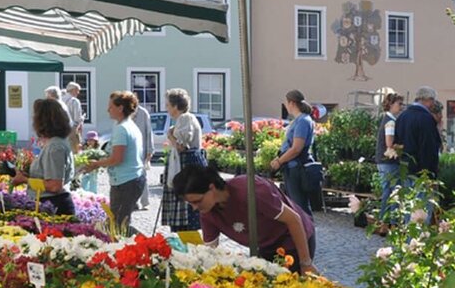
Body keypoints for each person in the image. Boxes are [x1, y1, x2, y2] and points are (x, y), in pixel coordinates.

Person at [173, 165, 317, 275]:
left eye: (197, 201)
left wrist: (305, 263)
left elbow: (294, 220)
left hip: (293, 238)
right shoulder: (208, 213)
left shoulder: (252, 190)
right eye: (191, 204)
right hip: (265, 246)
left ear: (211, 188)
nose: (194, 208)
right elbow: (210, 251)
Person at [84, 91, 145, 230]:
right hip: (131, 179)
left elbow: (117, 159)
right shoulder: (129, 126)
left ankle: (146, 245)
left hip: (125, 182)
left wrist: (96, 164)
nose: (107, 110)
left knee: (118, 225)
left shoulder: (122, 129)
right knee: (119, 222)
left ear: (120, 108)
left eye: (110, 107)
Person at [11, 99, 75, 216]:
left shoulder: (55, 146)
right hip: (51, 204)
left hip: (53, 206)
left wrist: (25, 180)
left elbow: (55, 185)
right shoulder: (57, 142)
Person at [161, 88, 206, 231]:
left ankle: (186, 242)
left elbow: (182, 146)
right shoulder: (184, 119)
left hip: (187, 168)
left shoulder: (185, 118)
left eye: (168, 105)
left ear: (175, 106)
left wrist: (170, 136)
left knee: (186, 213)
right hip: (187, 167)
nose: (166, 108)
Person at [270, 89, 316, 216]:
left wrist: (279, 161)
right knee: (296, 205)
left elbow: (296, 148)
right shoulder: (301, 120)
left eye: (286, 102)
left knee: (299, 206)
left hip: (296, 167)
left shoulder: (302, 121)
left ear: (291, 103)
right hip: (293, 166)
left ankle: (307, 234)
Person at [394, 86, 442, 179]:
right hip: (422, 169)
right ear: (427, 100)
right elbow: (429, 146)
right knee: (421, 192)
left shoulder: (402, 117)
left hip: (404, 166)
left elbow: (397, 141)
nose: (433, 104)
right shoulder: (426, 119)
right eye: (433, 100)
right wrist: (431, 170)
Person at [374, 92, 404, 234]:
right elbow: (389, 143)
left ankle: (384, 222)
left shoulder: (386, 119)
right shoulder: (391, 122)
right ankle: (390, 223)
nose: (401, 107)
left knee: (388, 191)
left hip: (382, 161)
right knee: (392, 191)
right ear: (391, 105)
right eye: (399, 104)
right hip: (389, 161)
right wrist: (404, 146)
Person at [132, 103, 154, 210]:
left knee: (142, 177)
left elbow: (149, 132)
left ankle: (145, 202)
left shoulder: (143, 113)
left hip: (142, 150)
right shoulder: (125, 112)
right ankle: (133, 202)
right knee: (130, 177)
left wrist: (150, 150)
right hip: (129, 150)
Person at [62, 82, 84, 149]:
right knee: (74, 150)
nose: (78, 93)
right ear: (73, 90)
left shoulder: (61, 100)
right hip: (72, 129)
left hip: (61, 129)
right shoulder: (75, 101)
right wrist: (82, 119)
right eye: (77, 90)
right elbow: (77, 118)